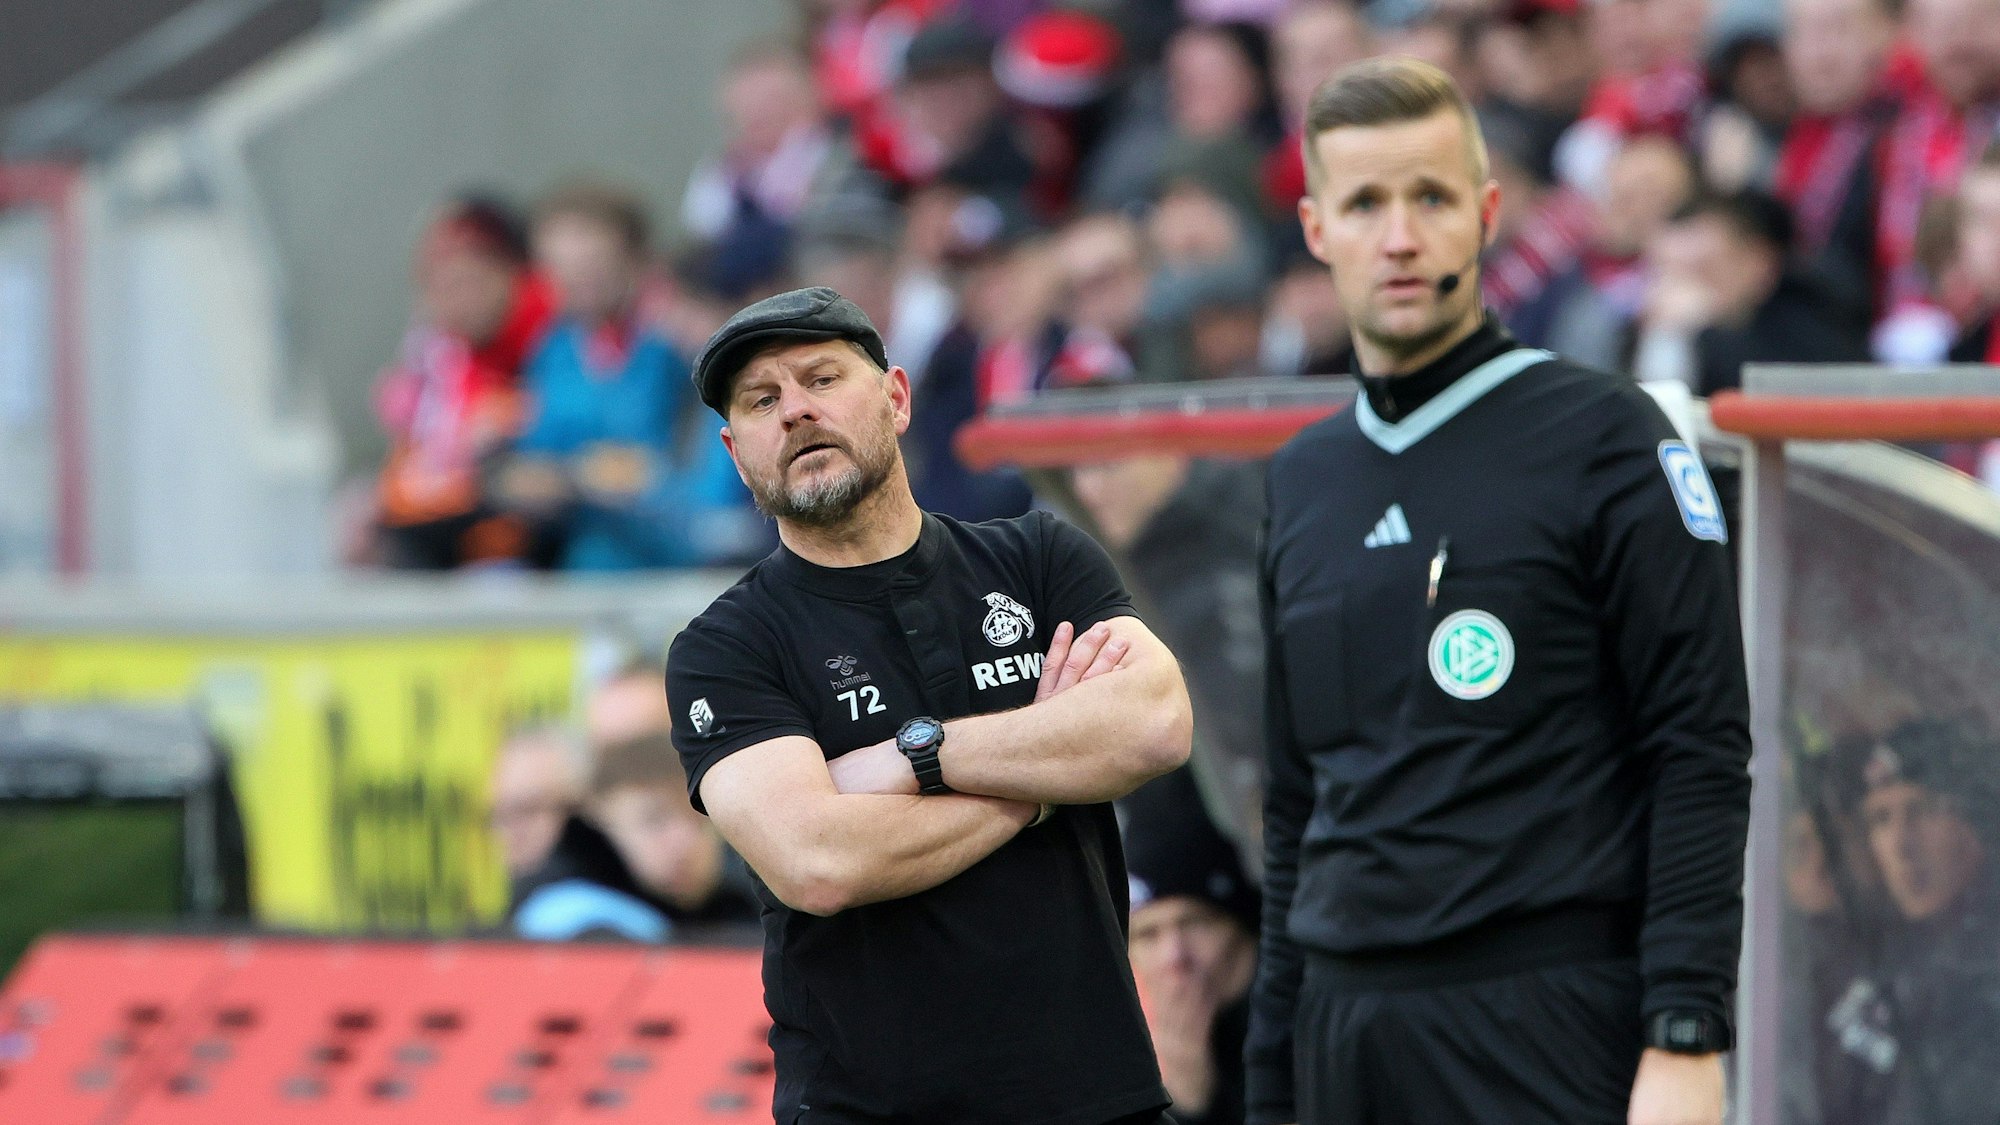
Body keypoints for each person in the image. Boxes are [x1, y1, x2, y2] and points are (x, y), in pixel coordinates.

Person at [1247, 58, 1751, 1125]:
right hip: (1342, 1029)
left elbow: (1698, 746)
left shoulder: (1605, 437)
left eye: (1428, 198)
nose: (1399, 235)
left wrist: (1686, 1028)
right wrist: (1271, 1069)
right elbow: (1296, 804)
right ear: (1314, 229)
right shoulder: (1300, 478)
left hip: (1547, 1021)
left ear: (1483, 215)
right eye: (1365, 203)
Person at [665, 286, 1194, 1124]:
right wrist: (1050, 779)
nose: (796, 411)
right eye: (763, 401)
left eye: (822, 378)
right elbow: (819, 861)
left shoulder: (1036, 556)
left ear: (898, 397)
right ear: (737, 452)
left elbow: (1157, 721)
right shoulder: (724, 647)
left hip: (1102, 1100)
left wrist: (920, 753)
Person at [502, 180, 764, 570]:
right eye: (561, 271)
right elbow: (534, 456)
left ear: (635, 262)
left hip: (681, 562)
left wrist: (633, 481)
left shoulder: (678, 347)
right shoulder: (552, 353)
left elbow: (713, 489)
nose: (577, 286)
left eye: (592, 268)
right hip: (583, 564)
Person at [1124, 767, 1262, 1125]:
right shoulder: (1120, 1050)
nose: (1174, 956)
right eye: (1148, 934)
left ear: (1243, 929)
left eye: (1196, 922)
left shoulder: (1303, 1034)